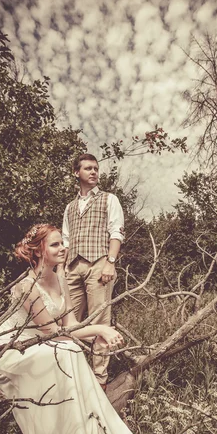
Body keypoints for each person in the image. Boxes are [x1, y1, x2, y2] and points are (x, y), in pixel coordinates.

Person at [0, 224, 145, 434]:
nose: (63, 248)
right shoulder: (26, 286)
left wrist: (97, 333)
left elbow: (70, 325)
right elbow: (51, 331)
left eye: (62, 243)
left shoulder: (60, 279)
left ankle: (93, 433)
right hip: (15, 347)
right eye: (55, 245)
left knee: (70, 351)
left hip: (47, 342)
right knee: (67, 351)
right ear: (39, 251)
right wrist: (99, 330)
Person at [62, 153, 124, 390]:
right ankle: (70, 373)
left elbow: (116, 232)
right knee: (67, 322)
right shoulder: (69, 207)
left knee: (100, 321)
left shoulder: (109, 199)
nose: (94, 172)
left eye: (96, 168)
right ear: (76, 173)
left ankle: (100, 379)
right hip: (72, 267)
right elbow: (66, 241)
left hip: (99, 264)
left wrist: (110, 262)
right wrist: (61, 271)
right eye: (88, 168)